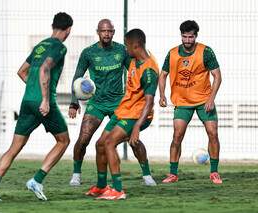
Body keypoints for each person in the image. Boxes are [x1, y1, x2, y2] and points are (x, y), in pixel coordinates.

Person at [0, 12, 73, 201]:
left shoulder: (40, 46)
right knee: (64, 141)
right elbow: (44, 69)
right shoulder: (59, 47)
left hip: (27, 101)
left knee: (15, 147)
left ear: (53, 26)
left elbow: (22, 71)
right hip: (43, 103)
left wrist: (33, 88)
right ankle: (37, 180)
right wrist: (45, 99)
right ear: (68, 30)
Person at [69, 19, 156, 187]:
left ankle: (146, 175)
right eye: (103, 31)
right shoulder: (89, 53)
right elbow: (78, 76)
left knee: (133, 139)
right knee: (83, 138)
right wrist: (74, 102)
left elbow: (135, 70)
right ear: (98, 32)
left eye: (109, 31)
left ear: (113, 32)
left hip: (119, 103)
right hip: (97, 103)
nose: (106, 34)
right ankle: (76, 174)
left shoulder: (123, 51)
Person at [92, 28, 159, 200]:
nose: (125, 48)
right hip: (124, 110)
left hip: (137, 115)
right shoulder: (133, 59)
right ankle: (101, 187)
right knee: (100, 144)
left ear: (135, 45)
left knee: (109, 143)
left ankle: (118, 190)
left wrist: (136, 127)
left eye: (127, 45)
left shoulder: (149, 71)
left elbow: (149, 102)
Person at [159, 20, 223, 184]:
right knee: (177, 137)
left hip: (204, 101)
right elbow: (163, 74)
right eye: (184, 37)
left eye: (190, 37)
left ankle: (214, 172)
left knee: (213, 134)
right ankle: (173, 174)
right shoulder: (172, 53)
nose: (187, 40)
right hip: (182, 101)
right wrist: (162, 95)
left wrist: (211, 99)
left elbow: (217, 76)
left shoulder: (205, 52)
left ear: (196, 36)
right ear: (181, 35)